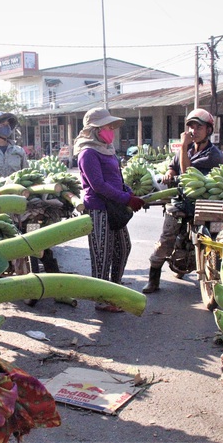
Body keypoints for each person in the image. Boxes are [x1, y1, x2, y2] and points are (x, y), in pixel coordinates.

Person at [143, 108, 223, 294]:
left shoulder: (213, 154)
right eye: (191, 127)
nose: (193, 131)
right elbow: (174, 166)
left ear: (209, 130)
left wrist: (183, 146)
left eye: (198, 127)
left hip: (204, 205)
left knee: (216, 239)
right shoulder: (185, 150)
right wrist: (170, 173)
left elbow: (187, 173)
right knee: (166, 239)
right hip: (181, 202)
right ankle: (153, 279)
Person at [75, 107, 145, 313]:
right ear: (96, 129)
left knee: (123, 248)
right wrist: (126, 199)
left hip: (115, 207)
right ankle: (101, 298)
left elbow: (116, 179)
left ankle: (114, 289)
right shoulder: (87, 153)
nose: (111, 130)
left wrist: (128, 192)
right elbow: (98, 185)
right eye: (107, 126)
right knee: (102, 254)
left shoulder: (108, 149)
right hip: (99, 209)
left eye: (112, 126)